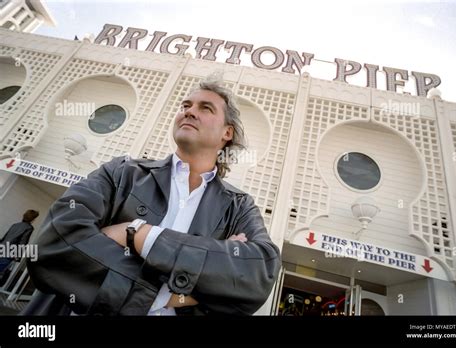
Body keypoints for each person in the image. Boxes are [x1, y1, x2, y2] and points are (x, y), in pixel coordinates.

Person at [25, 80, 281, 316]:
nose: (189, 111)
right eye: (185, 105)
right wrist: (178, 292)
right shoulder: (122, 173)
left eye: (205, 108)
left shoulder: (238, 207)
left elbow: (259, 274)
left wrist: (136, 233)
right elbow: (57, 240)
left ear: (227, 133)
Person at [0, 210, 39, 285]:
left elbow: (4, 238)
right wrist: (18, 257)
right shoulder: (29, 228)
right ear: (33, 219)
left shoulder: (15, 225)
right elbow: (23, 243)